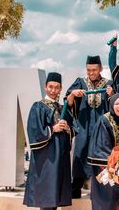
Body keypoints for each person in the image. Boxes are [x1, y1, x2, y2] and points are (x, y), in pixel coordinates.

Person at [23, 72, 77, 210]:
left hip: (60, 158)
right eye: (51, 87)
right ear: (45, 87)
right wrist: (53, 129)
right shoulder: (38, 107)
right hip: (46, 159)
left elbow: (73, 129)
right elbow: (34, 132)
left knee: (55, 196)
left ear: (61, 88)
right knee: (47, 196)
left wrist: (66, 128)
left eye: (57, 87)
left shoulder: (61, 108)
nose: (53, 90)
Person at [66, 55, 113, 198]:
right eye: (88, 70)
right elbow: (68, 102)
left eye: (94, 70)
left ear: (99, 68)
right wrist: (73, 94)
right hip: (83, 126)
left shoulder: (108, 83)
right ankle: (76, 188)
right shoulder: (80, 82)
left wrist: (112, 94)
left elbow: (115, 104)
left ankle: (101, 190)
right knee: (80, 154)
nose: (91, 73)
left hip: (101, 128)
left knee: (100, 156)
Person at [87, 93, 119, 210]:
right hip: (107, 166)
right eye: (116, 104)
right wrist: (115, 165)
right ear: (112, 105)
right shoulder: (104, 120)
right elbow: (101, 146)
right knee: (108, 199)